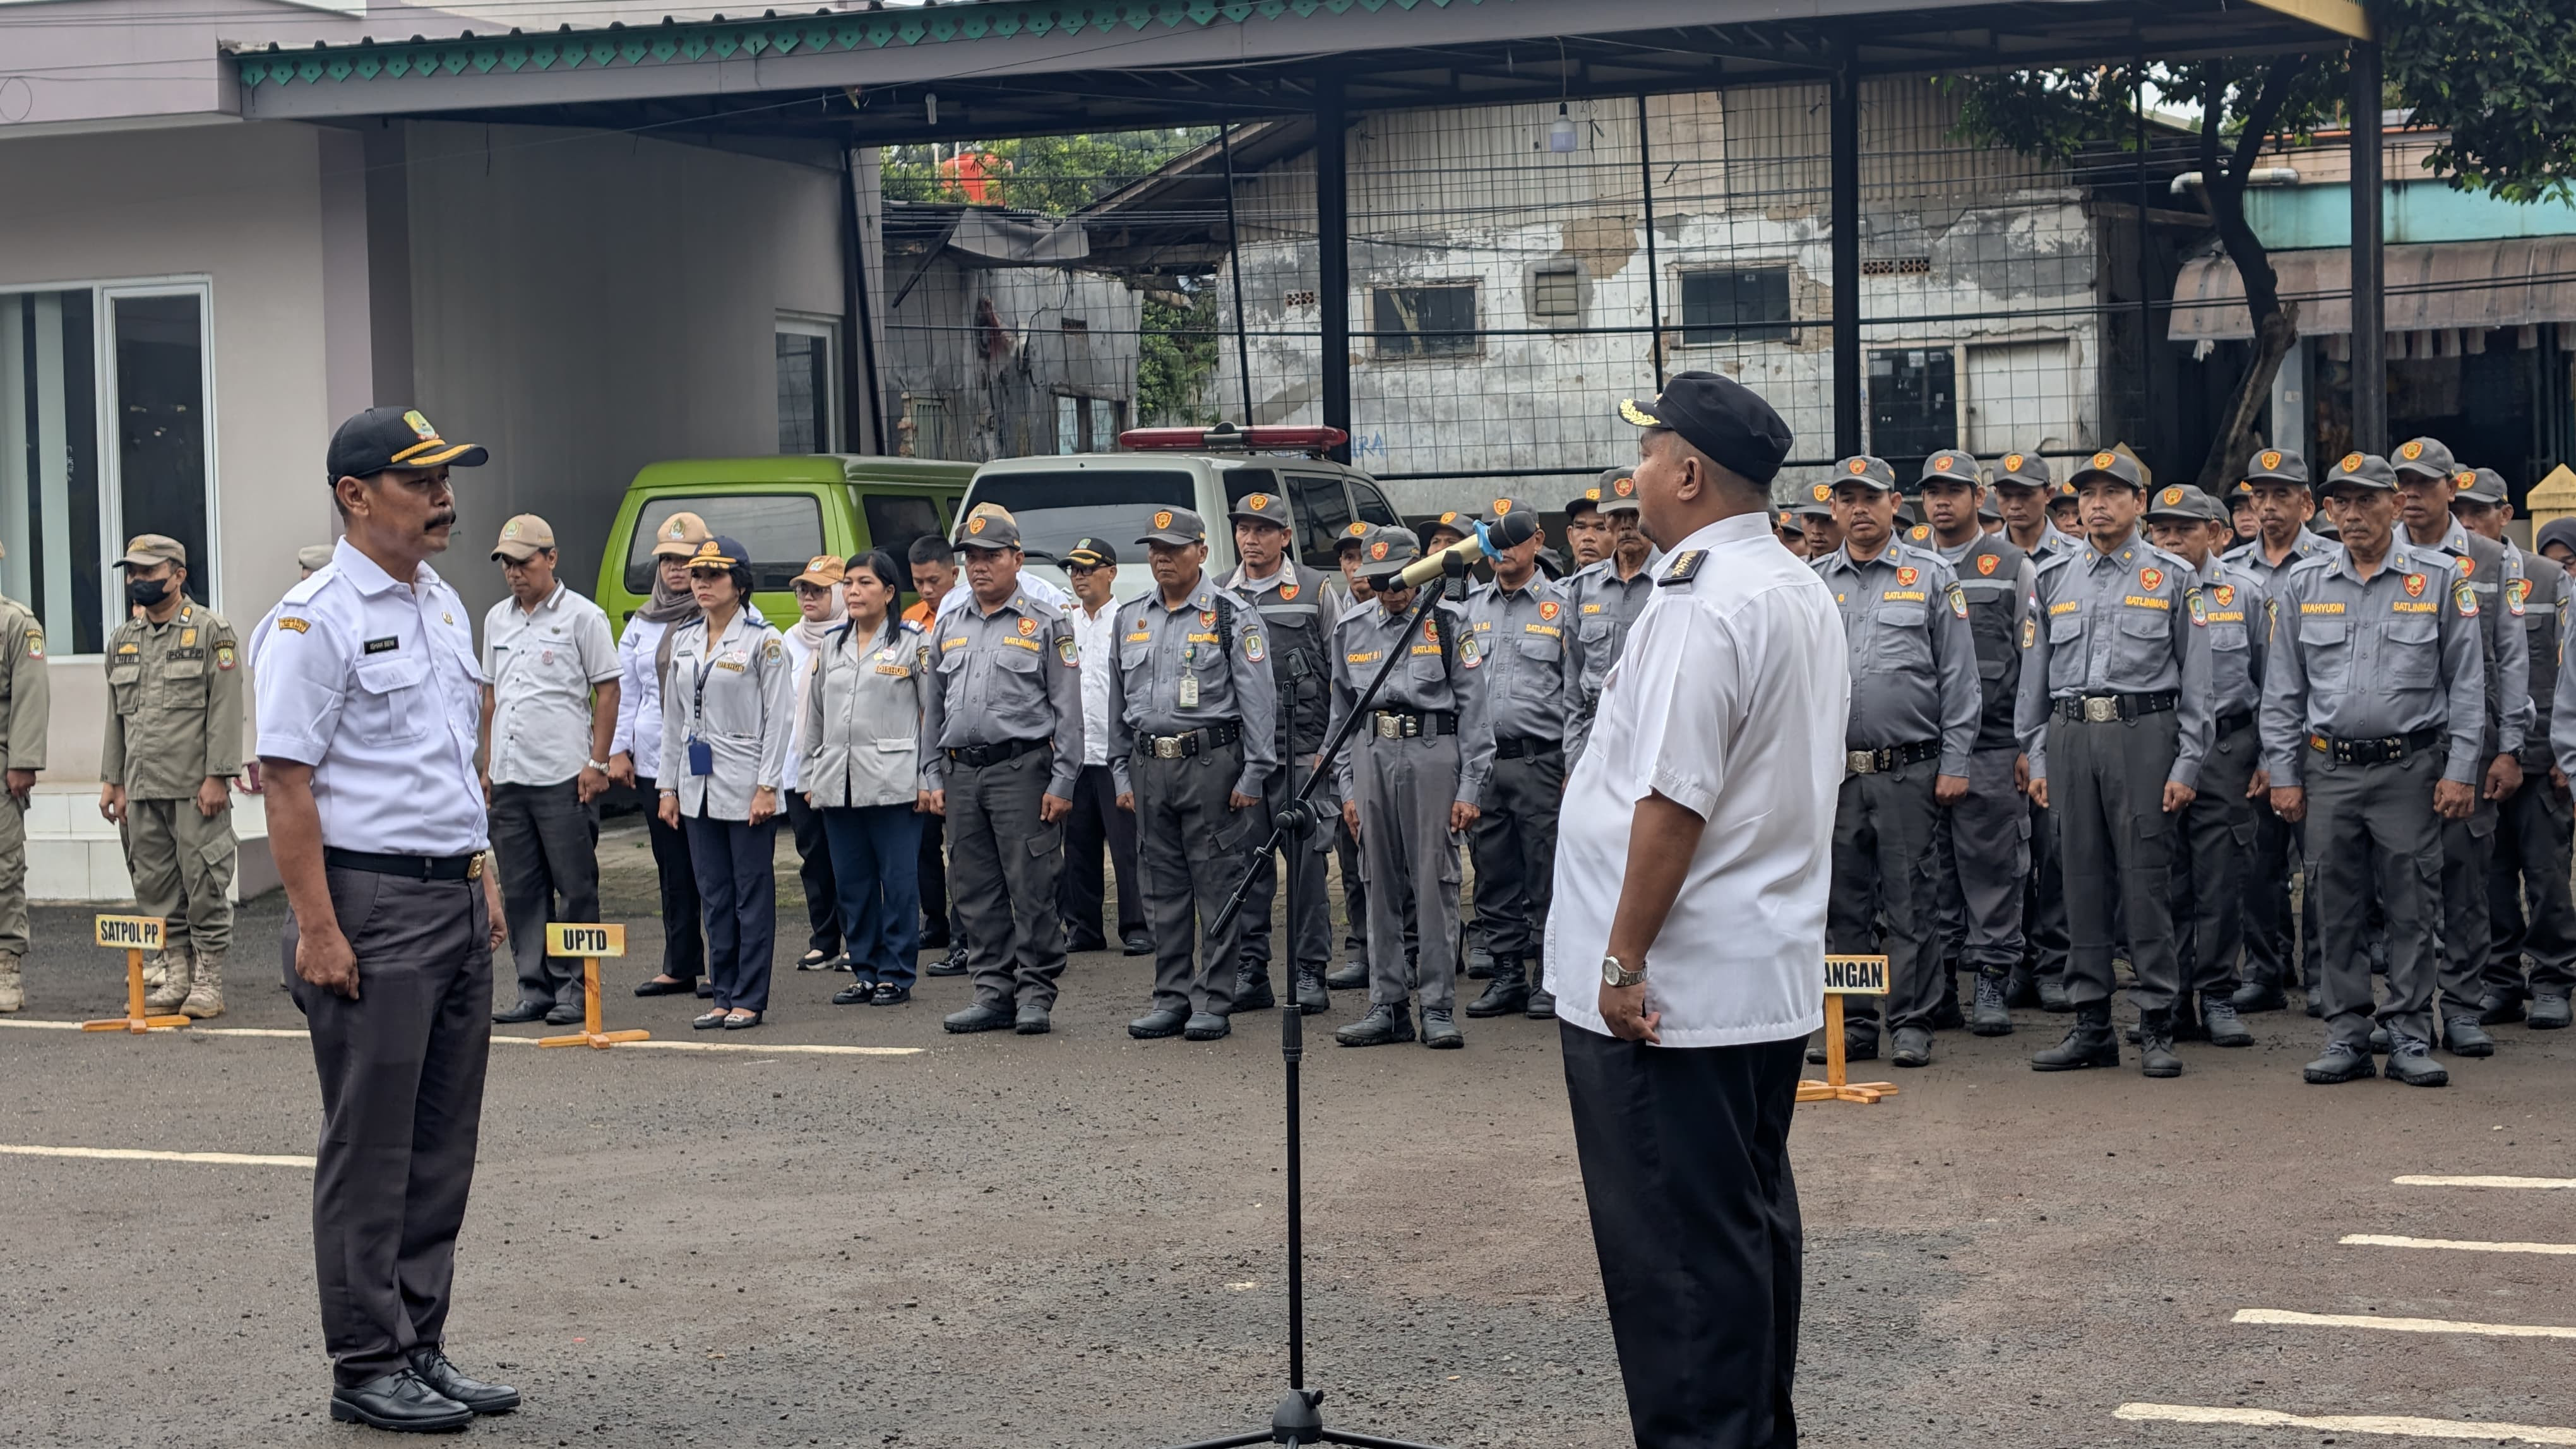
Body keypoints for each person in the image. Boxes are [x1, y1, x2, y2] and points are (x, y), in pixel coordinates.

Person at [1549, 372, 1839, 1449]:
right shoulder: (1789, 584)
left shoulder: (1701, 600)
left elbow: (1671, 804)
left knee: (1676, 1269)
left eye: (1645, 452)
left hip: (1673, 1000)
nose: (1632, 476)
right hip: (1748, 983)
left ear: (1684, 472)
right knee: (1739, 1241)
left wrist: (1621, 964)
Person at [258, 405, 516, 1431]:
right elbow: (285, 781)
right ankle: (366, 1363)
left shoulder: (443, 602)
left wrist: (481, 871)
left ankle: (420, 1344)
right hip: (367, 903)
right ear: (355, 496)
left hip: (451, 893)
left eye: (449, 477)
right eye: (422, 481)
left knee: (441, 1143)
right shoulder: (313, 617)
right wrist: (319, 929)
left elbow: (451, 761)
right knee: (371, 1147)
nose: (445, 496)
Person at [2262, 451, 2483, 1086]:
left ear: (2394, 503)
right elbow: (2284, 690)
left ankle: (2410, 1033)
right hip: (2328, 769)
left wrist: (2461, 767)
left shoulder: (2441, 579)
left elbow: (2467, 682)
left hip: (2409, 768)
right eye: (2340, 503)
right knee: (2333, 904)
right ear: (2326, 509)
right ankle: (2347, 1035)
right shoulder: (2306, 584)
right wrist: (2283, 771)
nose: (2352, 514)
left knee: (2413, 904)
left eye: (2365, 501)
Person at [2017, 447, 2212, 1077]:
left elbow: (2199, 683)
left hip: (2143, 733)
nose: (2096, 505)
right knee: (2077, 880)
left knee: (2145, 878)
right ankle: (2091, 1021)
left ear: (2139, 504)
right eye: (2087, 496)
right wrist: (2038, 755)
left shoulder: (2174, 576)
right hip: (2073, 735)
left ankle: (2157, 1021)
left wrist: (2187, 764)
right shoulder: (2052, 579)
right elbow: (2036, 681)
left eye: (2111, 493)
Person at [1811, 455, 1977, 1068]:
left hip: (1908, 769)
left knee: (1912, 901)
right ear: (1832, 508)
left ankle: (1911, 1021)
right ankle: (1854, 1024)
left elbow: (1961, 681)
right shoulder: (1812, 582)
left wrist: (1956, 761)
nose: (1857, 509)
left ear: (1893, 503)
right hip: (1836, 774)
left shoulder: (1931, 577)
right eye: (1846, 498)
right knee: (1843, 905)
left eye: (1870, 497)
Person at [1110, 508, 1276, 1041]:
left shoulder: (1231, 615)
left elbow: (1258, 704)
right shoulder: (1131, 617)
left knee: (1217, 885)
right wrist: (1120, 773)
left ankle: (1213, 999)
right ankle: (1171, 996)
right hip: (1149, 766)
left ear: (1201, 552)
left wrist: (1255, 775)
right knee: (1162, 889)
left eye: (1174, 548)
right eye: (1154, 548)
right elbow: (1118, 705)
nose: (1161, 557)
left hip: (1210, 764)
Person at [1327, 526, 1492, 1049]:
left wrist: (1470, 788)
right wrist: (1347, 789)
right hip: (1372, 754)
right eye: (1378, 582)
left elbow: (1475, 716)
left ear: (1418, 572)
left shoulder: (1447, 622)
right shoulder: (1351, 628)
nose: (1390, 592)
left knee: (1435, 882)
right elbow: (1340, 721)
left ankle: (1438, 1005)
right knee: (1376, 881)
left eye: (1398, 580)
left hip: (1432, 753)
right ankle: (1388, 1003)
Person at [2391, 437, 2527, 1062]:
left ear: (2453, 488)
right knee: (2397, 888)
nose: (2412, 496)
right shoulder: (2372, 554)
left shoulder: (2494, 561)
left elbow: (2512, 659)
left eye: (2424, 484)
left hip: (2467, 745)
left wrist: (2509, 748)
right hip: (2394, 749)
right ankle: (2404, 1012)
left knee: (2465, 883)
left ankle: (2465, 1009)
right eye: (2403, 485)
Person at [925, 510, 1083, 1036]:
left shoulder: (1046, 619)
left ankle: (1036, 990)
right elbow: (934, 707)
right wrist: (930, 774)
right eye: (970, 557)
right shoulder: (948, 622)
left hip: (1023, 770)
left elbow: (1069, 710)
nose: (979, 566)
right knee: (973, 887)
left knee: (1032, 885)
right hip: (963, 773)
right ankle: (992, 988)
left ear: (1017, 558)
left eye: (991, 555)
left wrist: (1063, 781)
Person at [480, 514, 621, 1027]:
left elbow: (608, 689)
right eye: (507, 564)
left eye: (524, 562)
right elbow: (490, 697)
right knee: (521, 887)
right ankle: (534, 985)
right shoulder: (497, 619)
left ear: (551, 558)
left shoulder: (583, 617)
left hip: (564, 775)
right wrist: (487, 762)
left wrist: (598, 762)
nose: (515, 573)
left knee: (575, 886)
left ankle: (577, 989)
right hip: (511, 774)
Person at [1912, 451, 2036, 1035]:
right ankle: (1938, 991)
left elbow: (2032, 659)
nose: (1942, 500)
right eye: (1933, 490)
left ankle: (1991, 981)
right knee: (1927, 874)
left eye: (1954, 490)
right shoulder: (1905, 563)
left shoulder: (2012, 564)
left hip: (1992, 745)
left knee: (1992, 869)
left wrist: (2027, 745)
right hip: (1920, 746)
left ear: (1977, 498)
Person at [100, 534, 241, 1018]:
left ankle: (208, 978)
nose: (138, 581)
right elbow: (116, 717)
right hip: (142, 787)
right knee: (156, 887)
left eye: (148, 571)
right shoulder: (124, 640)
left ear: (178, 576)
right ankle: (175, 971)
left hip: (193, 787)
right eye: (132, 573)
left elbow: (225, 708)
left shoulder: (210, 631)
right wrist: (112, 780)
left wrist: (219, 775)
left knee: (203, 881)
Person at [657, 536, 794, 1031]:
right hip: (698, 785)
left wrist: (768, 785)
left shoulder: (764, 640)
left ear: (740, 582)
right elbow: (674, 718)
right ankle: (723, 990)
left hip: (745, 782)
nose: (702, 583)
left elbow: (779, 719)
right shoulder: (686, 638)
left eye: (714, 575)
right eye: (697, 575)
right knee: (713, 894)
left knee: (749, 894)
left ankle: (750, 996)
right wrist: (667, 787)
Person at [2143, 486, 2260, 1049]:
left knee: (2220, 877)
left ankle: (2217, 993)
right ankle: (2171, 999)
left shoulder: (2246, 593)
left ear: (2215, 533)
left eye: (2183, 529)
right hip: (2157, 745)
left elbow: (2274, 681)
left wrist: (2265, 756)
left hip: (2227, 750)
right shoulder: (2140, 588)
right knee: (2163, 879)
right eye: (2160, 530)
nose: (2169, 540)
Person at [2461, 470, 2575, 1029]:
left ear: (2506, 515)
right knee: (2489, 878)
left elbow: (2567, 671)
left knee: (2548, 873)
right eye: (2458, 511)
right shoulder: (2442, 575)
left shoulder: (2548, 577)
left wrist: (2562, 753)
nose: (2467, 522)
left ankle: (2553, 978)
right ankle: (2500, 979)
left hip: (2538, 754)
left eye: (2478, 512)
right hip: (2478, 756)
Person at [2220, 452, 2330, 1016]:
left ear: (2307, 504)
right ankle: (2266, 969)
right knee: (2257, 864)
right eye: (2259, 496)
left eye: (2281, 494)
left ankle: (2321, 974)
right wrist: (2263, 750)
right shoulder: (2232, 571)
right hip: (2252, 742)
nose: (2266, 506)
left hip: (2316, 740)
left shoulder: (2331, 564)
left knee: (2321, 865)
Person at [1225, 494, 1344, 1015]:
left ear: (1285, 536)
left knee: (1307, 872)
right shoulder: (1220, 596)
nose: (1251, 539)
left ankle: (1309, 969)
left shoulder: (1316, 590)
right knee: (1246, 868)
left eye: (1263, 529)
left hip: (1302, 755)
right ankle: (1252, 969)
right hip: (1245, 759)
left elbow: (1342, 676)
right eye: (1243, 529)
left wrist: (1328, 752)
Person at [802, 550, 933, 1006]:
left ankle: (896, 972)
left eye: (865, 583)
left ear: (890, 592)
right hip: (839, 783)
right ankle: (865, 967)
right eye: (849, 584)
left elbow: (931, 716)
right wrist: (809, 774)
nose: (854, 592)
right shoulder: (831, 645)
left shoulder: (913, 643)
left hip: (894, 783)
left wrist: (927, 778)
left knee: (897, 882)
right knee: (852, 882)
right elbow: (815, 717)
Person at [1461, 497, 1574, 1020]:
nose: (1505, 549)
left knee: (1546, 872)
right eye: (1496, 539)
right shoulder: (1468, 609)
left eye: (1516, 537)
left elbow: (1574, 693)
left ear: (1537, 542)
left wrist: (1572, 764)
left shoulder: (1562, 604)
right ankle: (1506, 972)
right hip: (1485, 764)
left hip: (1540, 762)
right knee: (1493, 870)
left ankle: (1548, 976)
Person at [612, 511, 712, 999]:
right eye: (668, 560)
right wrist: (617, 751)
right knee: (672, 868)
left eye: (687, 561)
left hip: (706, 759)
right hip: (654, 759)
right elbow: (626, 691)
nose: (677, 570)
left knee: (712, 865)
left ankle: (725, 964)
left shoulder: (721, 617)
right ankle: (681, 963)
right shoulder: (642, 622)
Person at [1058, 537, 1150, 957]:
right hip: (1075, 753)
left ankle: (1136, 924)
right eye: (1074, 570)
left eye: (1088, 568)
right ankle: (1083, 927)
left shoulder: (1129, 620)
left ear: (1111, 572)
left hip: (1116, 752)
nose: (1079, 577)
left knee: (1128, 845)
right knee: (1077, 847)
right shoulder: (1064, 623)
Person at [782, 554, 850, 972]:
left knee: (849, 856)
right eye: (803, 589)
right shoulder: (788, 640)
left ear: (842, 593)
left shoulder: (854, 636)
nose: (809, 596)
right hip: (797, 767)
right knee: (813, 856)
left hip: (842, 766)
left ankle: (857, 939)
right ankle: (823, 938)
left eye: (820, 589)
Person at [1564, 475, 1660, 764]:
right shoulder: (1584, 587)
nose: (1627, 525)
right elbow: (1572, 677)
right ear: (1607, 521)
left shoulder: (1671, 576)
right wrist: (1573, 756)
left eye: (1635, 514)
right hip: (1596, 731)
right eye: (1618, 516)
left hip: (1655, 727)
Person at [1325, 524, 1384, 991]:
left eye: (1363, 557)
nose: (1356, 568)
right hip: (1343, 751)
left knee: (1394, 863)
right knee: (1352, 859)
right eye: (1348, 559)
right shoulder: (1338, 616)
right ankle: (1361, 949)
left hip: (1391, 753)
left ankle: (1406, 950)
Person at [908, 534, 967, 974]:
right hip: (923, 747)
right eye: (919, 582)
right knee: (926, 845)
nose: (928, 590)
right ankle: (936, 921)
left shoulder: (964, 615)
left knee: (965, 850)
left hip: (960, 747)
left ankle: (968, 935)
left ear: (953, 573)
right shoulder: (910, 623)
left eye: (934, 580)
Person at [1566, 475, 1618, 569]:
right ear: (1570, 536)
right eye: (1581, 528)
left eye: (1601, 528)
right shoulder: (1562, 584)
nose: (1588, 537)